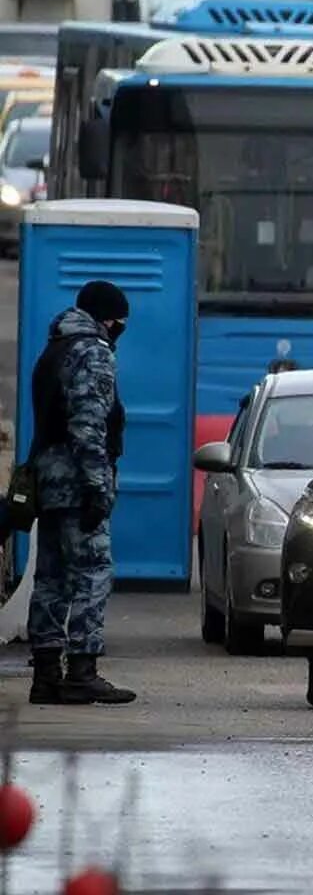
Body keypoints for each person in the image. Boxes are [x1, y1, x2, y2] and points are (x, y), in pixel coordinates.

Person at [27, 280, 136, 705]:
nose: (118, 331)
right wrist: (97, 487)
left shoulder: (54, 348)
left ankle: (47, 674)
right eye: (119, 323)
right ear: (108, 318)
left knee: (51, 578)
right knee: (92, 573)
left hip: (48, 481)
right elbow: (88, 426)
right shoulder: (92, 352)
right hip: (77, 482)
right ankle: (82, 670)